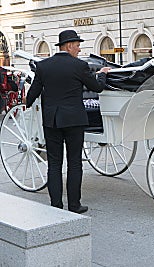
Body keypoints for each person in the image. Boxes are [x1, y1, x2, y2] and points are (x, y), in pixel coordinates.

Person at [26, 30, 111, 213]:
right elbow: (97, 87)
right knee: (74, 163)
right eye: (78, 46)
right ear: (69, 45)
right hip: (74, 120)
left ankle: (56, 206)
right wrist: (103, 73)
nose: (79, 50)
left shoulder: (43, 66)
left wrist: (27, 104)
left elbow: (33, 93)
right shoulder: (79, 66)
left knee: (54, 164)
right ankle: (74, 205)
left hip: (52, 121)